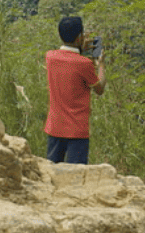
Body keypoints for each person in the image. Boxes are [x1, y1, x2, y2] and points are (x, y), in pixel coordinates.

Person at [44, 15, 106, 164]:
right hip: (77, 130)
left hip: (55, 127)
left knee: (52, 172)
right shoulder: (84, 64)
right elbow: (99, 88)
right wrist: (101, 65)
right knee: (76, 176)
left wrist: (77, 47)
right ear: (79, 37)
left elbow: (67, 57)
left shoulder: (50, 57)